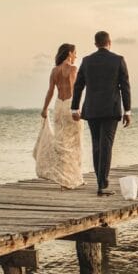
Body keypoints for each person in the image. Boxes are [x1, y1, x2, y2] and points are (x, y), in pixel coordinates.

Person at [71, 30, 131, 196]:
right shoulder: (118, 60)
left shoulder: (87, 61)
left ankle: (100, 181)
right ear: (109, 42)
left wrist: (74, 108)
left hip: (92, 109)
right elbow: (125, 86)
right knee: (106, 145)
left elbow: (78, 85)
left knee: (97, 145)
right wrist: (128, 110)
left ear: (96, 43)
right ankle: (102, 184)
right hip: (110, 110)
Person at [37, 43, 85, 188]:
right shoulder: (73, 69)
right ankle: (74, 178)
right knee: (75, 142)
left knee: (61, 141)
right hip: (71, 105)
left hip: (58, 106)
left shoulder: (54, 71)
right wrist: (77, 109)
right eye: (75, 53)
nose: (76, 56)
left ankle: (64, 177)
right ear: (69, 53)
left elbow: (50, 91)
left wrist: (45, 109)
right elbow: (75, 90)